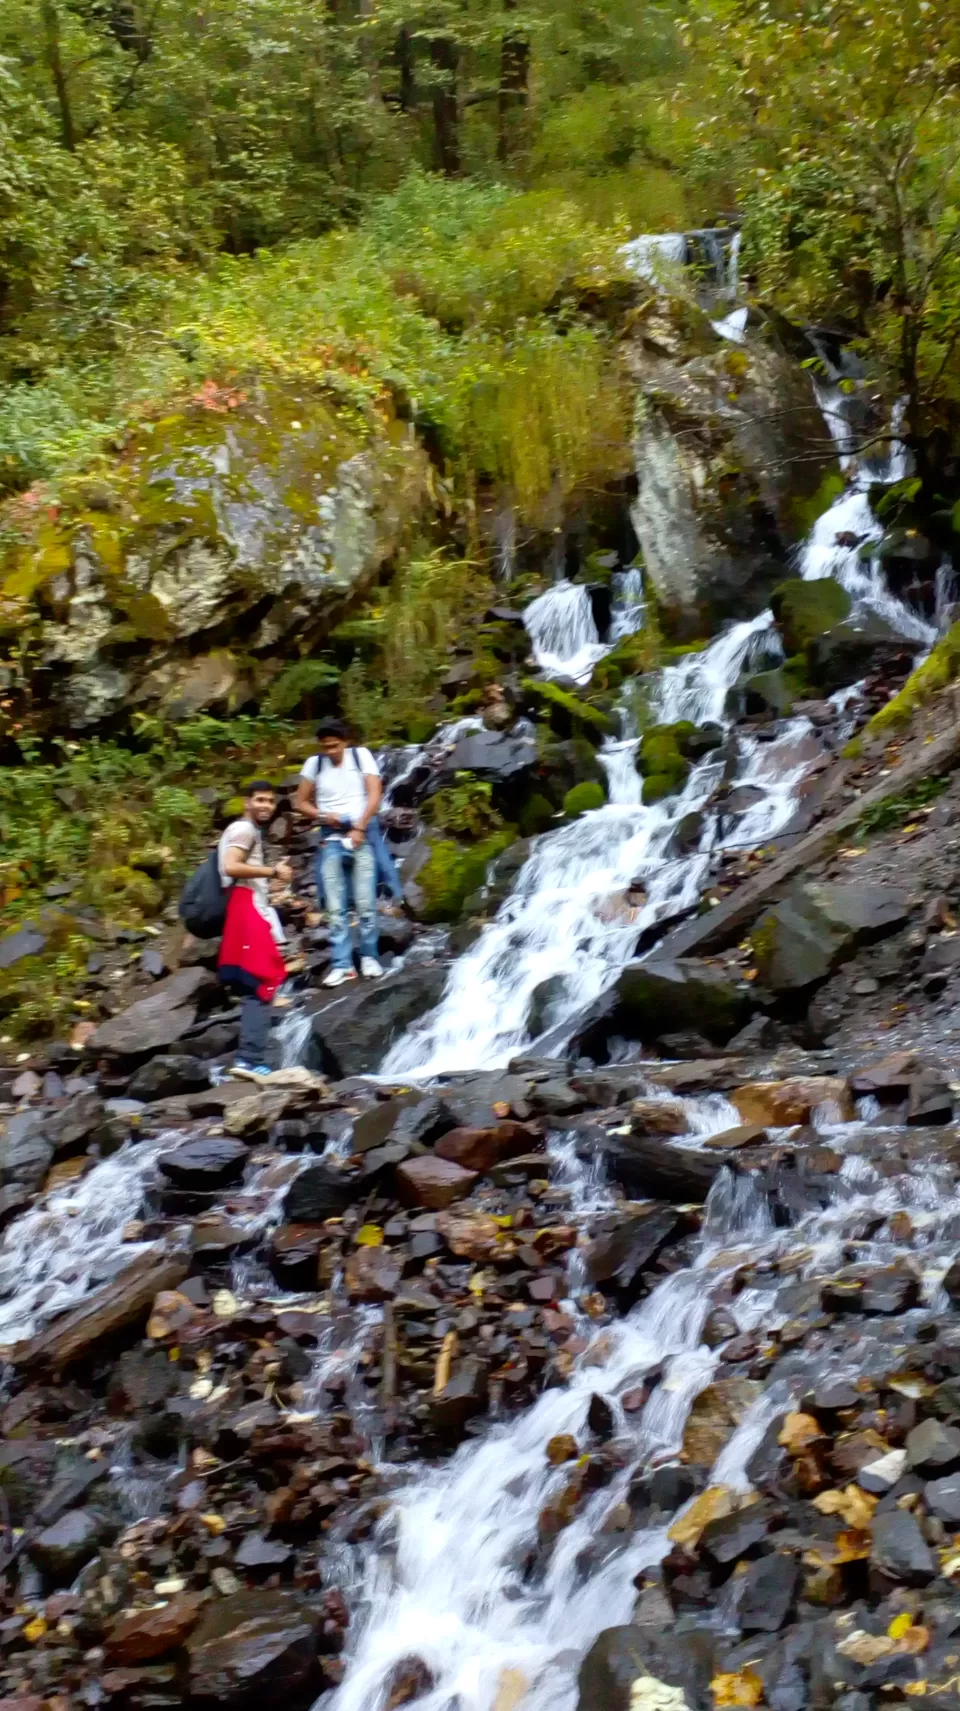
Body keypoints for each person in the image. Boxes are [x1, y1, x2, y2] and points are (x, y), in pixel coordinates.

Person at [294, 718, 384, 986]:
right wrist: (323, 814)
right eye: (325, 747)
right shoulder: (315, 763)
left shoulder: (361, 756)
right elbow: (299, 801)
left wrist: (359, 827)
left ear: (345, 741)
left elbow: (375, 795)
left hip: (360, 835)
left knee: (366, 903)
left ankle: (369, 956)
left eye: (334, 746)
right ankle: (342, 964)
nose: (330, 752)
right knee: (335, 907)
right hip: (330, 838)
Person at [217, 781, 293, 1073]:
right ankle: (250, 1060)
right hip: (246, 908)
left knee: (254, 983)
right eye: (260, 800)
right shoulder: (244, 829)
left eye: (270, 801)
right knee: (263, 978)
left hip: (243, 905)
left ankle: (249, 1058)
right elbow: (231, 866)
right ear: (246, 802)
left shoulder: (245, 830)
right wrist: (272, 870)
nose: (266, 806)